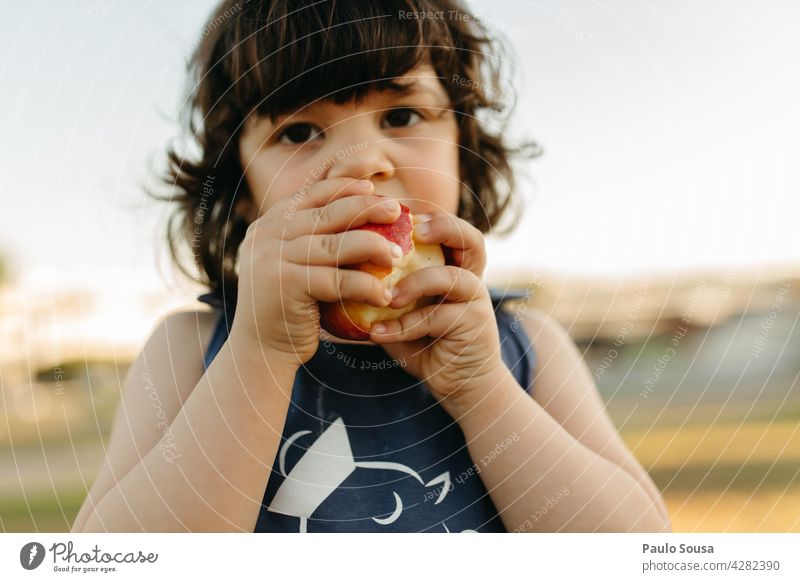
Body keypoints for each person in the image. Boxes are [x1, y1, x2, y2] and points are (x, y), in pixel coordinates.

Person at [72, 0, 671, 533]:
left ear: (462, 145)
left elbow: (638, 550)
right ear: (244, 189)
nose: (359, 166)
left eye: (402, 117)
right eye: (300, 131)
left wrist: (483, 391)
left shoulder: (523, 347)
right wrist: (260, 354)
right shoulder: (193, 351)